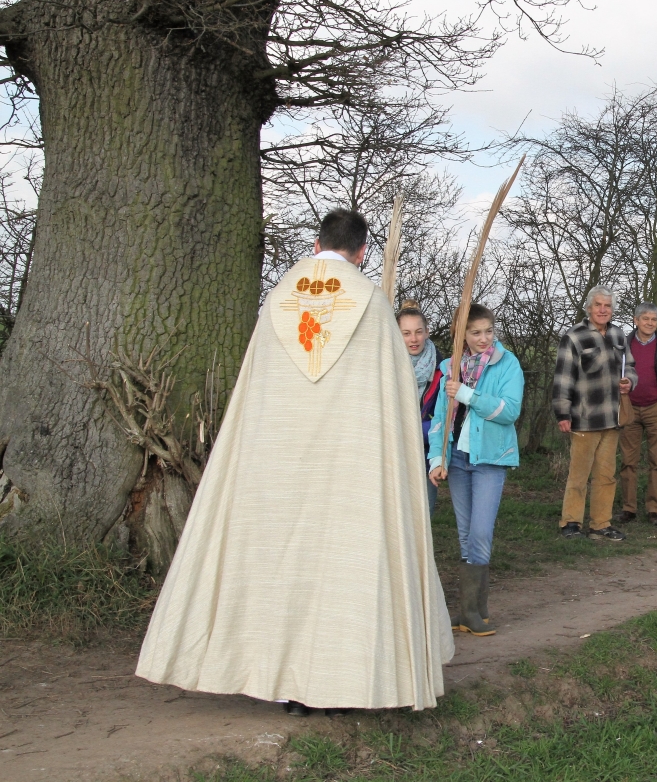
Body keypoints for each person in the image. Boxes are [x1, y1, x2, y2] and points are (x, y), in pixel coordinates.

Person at [136, 209, 453, 716]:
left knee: (282, 562)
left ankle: (283, 684)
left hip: (277, 468)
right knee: (343, 566)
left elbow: (255, 393)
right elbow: (393, 400)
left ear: (315, 243)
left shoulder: (277, 301)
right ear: (363, 251)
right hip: (351, 466)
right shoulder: (372, 304)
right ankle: (343, 683)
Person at [428, 304, 524, 636]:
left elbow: (509, 411)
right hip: (455, 459)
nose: (484, 339)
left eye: (488, 331)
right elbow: (441, 419)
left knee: (481, 533)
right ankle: (473, 611)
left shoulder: (507, 363)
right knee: (466, 534)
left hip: (490, 460)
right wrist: (436, 459)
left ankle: (472, 610)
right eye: (475, 332)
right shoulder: (449, 367)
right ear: (461, 334)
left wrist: (467, 394)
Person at [553, 286, 638, 542]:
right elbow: (562, 378)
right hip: (583, 417)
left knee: (606, 475)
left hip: (612, 419)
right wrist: (562, 413)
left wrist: (630, 382)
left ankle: (601, 524)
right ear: (589, 308)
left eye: (608, 306)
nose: (603, 310)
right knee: (579, 475)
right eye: (598, 305)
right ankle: (570, 523)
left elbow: (631, 367)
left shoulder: (619, 335)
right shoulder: (574, 337)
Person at [617, 303, 657, 526]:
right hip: (629, 408)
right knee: (628, 461)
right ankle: (628, 508)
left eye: (653, 319)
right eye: (645, 319)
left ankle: (655, 509)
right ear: (635, 320)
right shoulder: (622, 344)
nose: (649, 323)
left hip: (656, 408)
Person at [399, 302, 443, 514]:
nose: (413, 339)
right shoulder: (385, 366)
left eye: (418, 332)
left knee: (423, 513)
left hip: (425, 451)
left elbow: (444, 418)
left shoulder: (442, 370)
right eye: (406, 333)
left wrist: (414, 430)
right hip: (393, 451)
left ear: (427, 332)